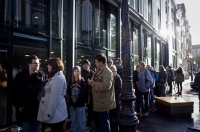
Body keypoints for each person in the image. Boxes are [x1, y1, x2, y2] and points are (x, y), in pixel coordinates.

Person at [12, 55, 47, 132]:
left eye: (38, 63)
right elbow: (14, 92)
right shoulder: (20, 76)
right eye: (34, 63)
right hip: (24, 110)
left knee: (35, 130)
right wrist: (18, 105)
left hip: (37, 110)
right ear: (29, 64)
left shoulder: (42, 76)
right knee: (25, 130)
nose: (37, 65)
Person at [37, 58, 68, 132]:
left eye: (49, 64)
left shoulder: (57, 78)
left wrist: (47, 115)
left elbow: (53, 99)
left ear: (54, 66)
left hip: (56, 114)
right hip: (55, 114)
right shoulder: (53, 76)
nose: (47, 66)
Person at [88, 53, 115, 132]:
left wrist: (92, 83)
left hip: (103, 103)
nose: (95, 63)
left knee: (103, 124)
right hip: (97, 102)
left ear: (101, 62)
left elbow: (106, 86)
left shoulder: (107, 72)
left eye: (96, 61)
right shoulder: (98, 70)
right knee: (98, 123)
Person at [67, 66, 88, 132]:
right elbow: (68, 93)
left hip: (80, 106)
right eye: (75, 71)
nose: (76, 73)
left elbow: (83, 95)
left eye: (78, 71)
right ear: (73, 72)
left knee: (82, 123)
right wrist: (71, 103)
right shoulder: (70, 81)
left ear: (80, 72)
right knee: (74, 123)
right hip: (72, 106)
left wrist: (76, 104)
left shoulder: (82, 81)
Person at [81, 59, 94, 129]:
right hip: (82, 94)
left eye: (87, 64)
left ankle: (88, 124)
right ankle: (82, 124)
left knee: (90, 110)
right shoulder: (80, 73)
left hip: (90, 95)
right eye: (84, 64)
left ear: (89, 65)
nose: (86, 66)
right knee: (82, 110)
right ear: (82, 65)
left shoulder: (92, 73)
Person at [109, 65, 122, 132]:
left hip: (115, 99)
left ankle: (116, 129)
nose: (114, 72)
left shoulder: (118, 78)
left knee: (115, 115)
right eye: (112, 71)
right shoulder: (108, 78)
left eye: (115, 71)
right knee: (110, 116)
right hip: (109, 100)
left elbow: (119, 89)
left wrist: (113, 95)